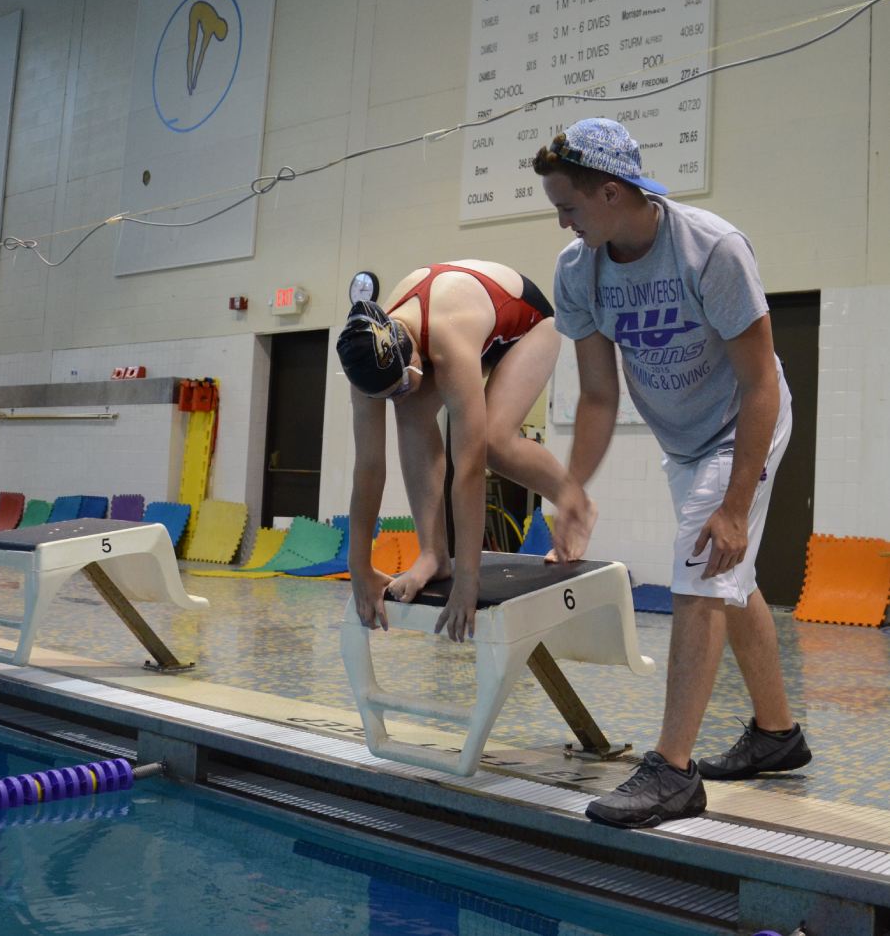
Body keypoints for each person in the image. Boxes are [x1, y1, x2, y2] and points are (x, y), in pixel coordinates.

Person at [534, 118, 811, 828]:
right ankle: (778, 736)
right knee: (727, 576)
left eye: (568, 205)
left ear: (611, 190)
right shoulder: (579, 269)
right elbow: (599, 395)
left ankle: (673, 772)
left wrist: (736, 507)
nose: (562, 220)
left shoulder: (710, 250)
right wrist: (572, 486)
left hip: (742, 421)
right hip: (685, 440)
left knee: (700, 565)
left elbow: (761, 385)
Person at [336, 261, 595, 642]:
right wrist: (358, 566)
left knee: (492, 443)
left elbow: (469, 468)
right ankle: (434, 556)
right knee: (410, 414)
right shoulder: (365, 364)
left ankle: (577, 503)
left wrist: (468, 580)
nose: (400, 393)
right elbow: (369, 469)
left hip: (528, 325)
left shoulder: (447, 338)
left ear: (408, 352)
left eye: (402, 382)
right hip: (474, 330)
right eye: (387, 392)